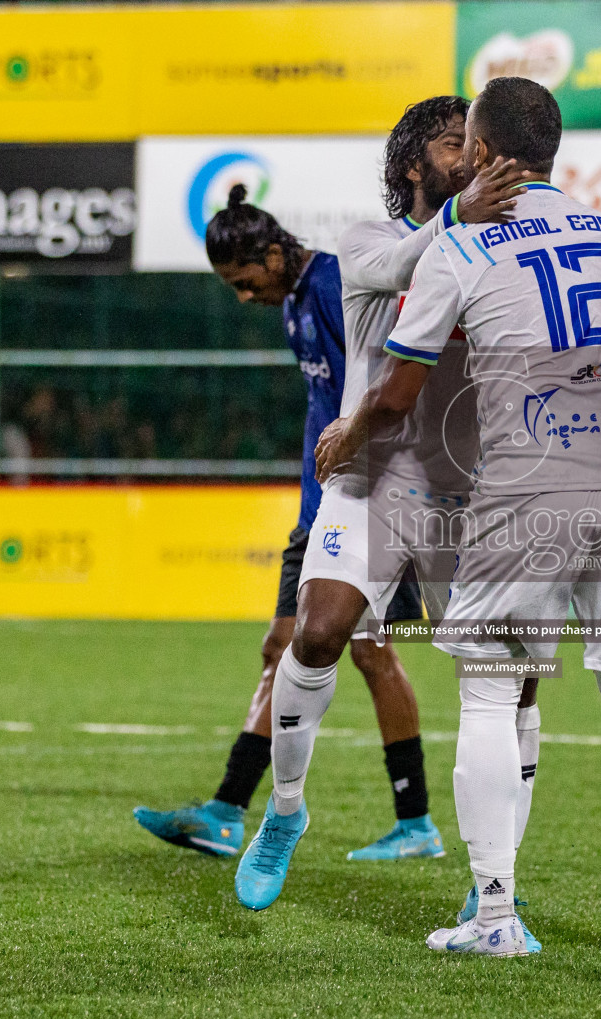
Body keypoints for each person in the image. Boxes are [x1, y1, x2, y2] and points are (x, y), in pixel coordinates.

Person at [315, 77, 601, 959]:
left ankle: (496, 916)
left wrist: (350, 433)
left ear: (483, 144)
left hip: (532, 483)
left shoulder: (461, 247)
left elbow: (398, 389)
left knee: (490, 687)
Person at [233, 94, 601, 929]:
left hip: (480, 490)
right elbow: (402, 273)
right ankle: (285, 810)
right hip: (377, 477)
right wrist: (461, 220)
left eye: (471, 139)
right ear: (411, 166)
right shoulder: (368, 242)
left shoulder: (501, 241)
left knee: (515, 685)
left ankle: (491, 880)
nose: (468, 152)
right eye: (448, 143)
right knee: (318, 633)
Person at [131, 190, 439, 861]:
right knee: (297, 648)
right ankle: (231, 810)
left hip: (362, 503)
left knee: (352, 648)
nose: (245, 297)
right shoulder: (297, 298)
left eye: (247, 281)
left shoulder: (332, 284)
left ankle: (404, 822)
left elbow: (386, 377)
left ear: (274, 253)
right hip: (323, 505)